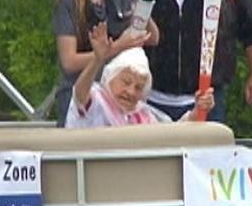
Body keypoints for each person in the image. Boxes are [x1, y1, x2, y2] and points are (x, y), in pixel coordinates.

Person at [53, 0, 159, 127]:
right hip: (80, 100)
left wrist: (143, 8)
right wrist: (115, 48)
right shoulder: (68, 3)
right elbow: (69, 61)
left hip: (114, 100)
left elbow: (152, 38)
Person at [65, 22, 213, 128]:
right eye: (126, 82)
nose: (131, 92)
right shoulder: (96, 100)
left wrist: (197, 111)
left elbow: (172, 135)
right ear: (110, 77)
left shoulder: (142, 115)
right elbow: (80, 94)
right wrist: (98, 59)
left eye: (138, 87)